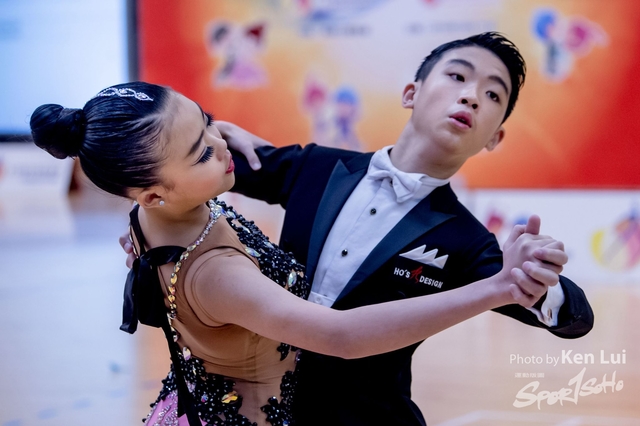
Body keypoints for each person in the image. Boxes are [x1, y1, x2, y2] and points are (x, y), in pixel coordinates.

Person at [32, 82, 568, 426]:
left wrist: (211, 142)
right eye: (200, 152)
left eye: (209, 121)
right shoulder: (218, 274)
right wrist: (494, 290)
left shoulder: (153, 211)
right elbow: (342, 336)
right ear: (152, 194)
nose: (222, 144)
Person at [202, 32, 595, 425]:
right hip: (258, 409)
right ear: (411, 93)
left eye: (493, 95)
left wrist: (539, 279)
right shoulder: (317, 166)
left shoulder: (467, 241)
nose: (472, 96)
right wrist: (210, 133)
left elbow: (576, 318)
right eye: (458, 76)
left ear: (494, 137)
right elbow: (197, 160)